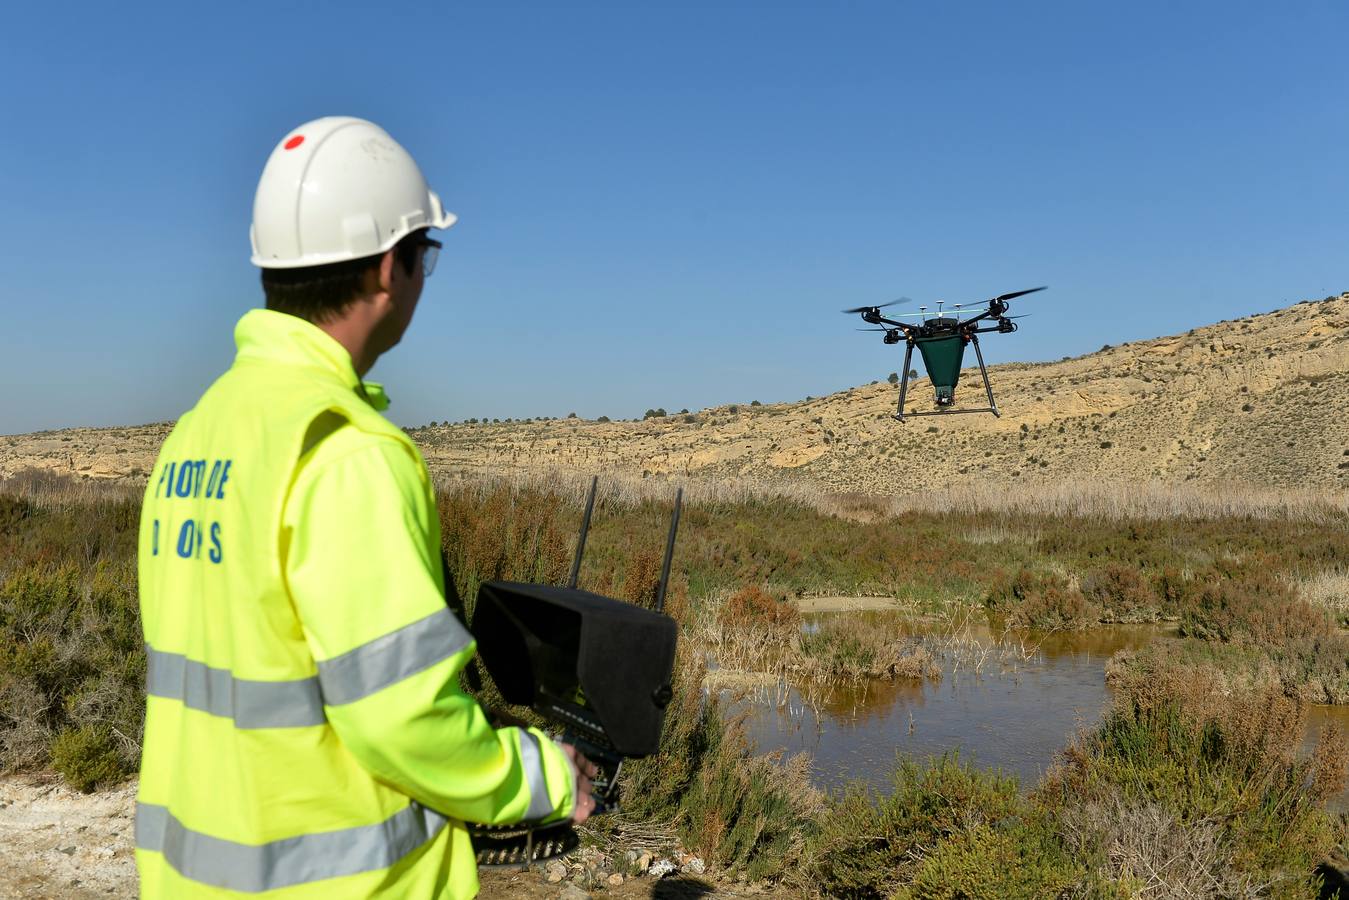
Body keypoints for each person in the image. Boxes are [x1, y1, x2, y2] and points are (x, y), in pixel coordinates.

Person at [135, 116, 596, 898]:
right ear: (392, 267)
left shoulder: (198, 433)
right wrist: (540, 777)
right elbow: (399, 716)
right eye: (427, 257)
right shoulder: (349, 454)